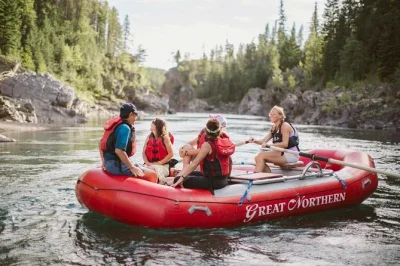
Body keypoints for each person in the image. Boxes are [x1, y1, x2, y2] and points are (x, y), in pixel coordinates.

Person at [171, 118, 235, 192]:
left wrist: (180, 179)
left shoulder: (207, 145)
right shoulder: (223, 141)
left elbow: (195, 163)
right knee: (184, 174)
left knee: (178, 178)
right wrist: (228, 178)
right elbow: (230, 160)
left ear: (206, 131)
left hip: (213, 182)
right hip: (223, 179)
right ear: (219, 131)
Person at [99, 103, 157, 182]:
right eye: (135, 115)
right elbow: (119, 151)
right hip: (117, 165)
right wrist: (132, 167)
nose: (136, 118)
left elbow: (101, 142)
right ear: (130, 114)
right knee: (153, 175)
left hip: (109, 163)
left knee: (151, 168)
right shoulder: (125, 128)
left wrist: (104, 162)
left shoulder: (117, 125)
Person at [251, 105, 300, 173]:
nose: (271, 116)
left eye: (274, 114)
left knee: (261, 156)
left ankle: (256, 176)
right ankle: (267, 176)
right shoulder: (274, 127)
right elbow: (264, 140)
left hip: (291, 154)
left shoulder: (285, 126)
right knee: (257, 157)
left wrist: (270, 145)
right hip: (281, 153)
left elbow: (285, 144)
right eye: (270, 114)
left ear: (280, 116)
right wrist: (254, 141)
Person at [142, 118, 175, 184]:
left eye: (153, 123)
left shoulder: (165, 138)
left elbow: (171, 154)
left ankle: (162, 182)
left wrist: (159, 163)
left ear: (157, 126)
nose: (151, 124)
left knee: (151, 169)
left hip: (163, 166)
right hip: (149, 165)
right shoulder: (149, 137)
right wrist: (147, 163)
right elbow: (143, 153)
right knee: (142, 169)